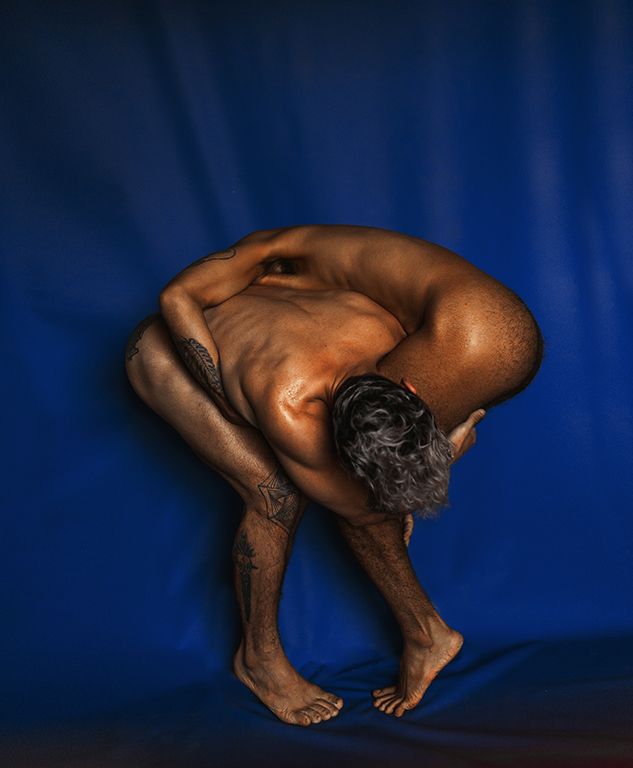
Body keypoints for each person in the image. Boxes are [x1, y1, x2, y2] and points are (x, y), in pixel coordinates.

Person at [124, 225, 543, 726]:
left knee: (364, 488)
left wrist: (425, 457)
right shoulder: (291, 409)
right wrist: (224, 398)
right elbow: (361, 506)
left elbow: (372, 485)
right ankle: (257, 660)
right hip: (160, 351)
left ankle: (426, 633)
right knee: (275, 495)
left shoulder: (385, 330)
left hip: (266, 313)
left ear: (406, 386)